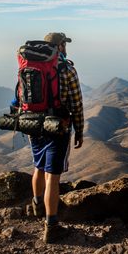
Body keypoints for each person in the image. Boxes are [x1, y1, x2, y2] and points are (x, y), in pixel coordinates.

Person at [26, 32, 84, 243]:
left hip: (33, 124)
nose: (65, 47)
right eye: (63, 44)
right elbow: (76, 103)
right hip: (58, 125)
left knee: (38, 167)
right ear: (59, 47)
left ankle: (37, 206)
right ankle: (52, 227)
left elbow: (19, 98)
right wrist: (79, 129)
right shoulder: (66, 69)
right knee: (53, 175)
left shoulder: (29, 67)